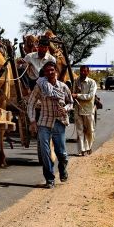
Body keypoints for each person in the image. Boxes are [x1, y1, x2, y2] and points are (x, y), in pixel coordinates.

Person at [27, 61, 73, 189]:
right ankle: (50, 179)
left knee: (62, 153)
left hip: (59, 123)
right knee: (45, 152)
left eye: (52, 70)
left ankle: (62, 169)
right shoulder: (40, 86)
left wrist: (66, 109)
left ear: (56, 71)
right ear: (44, 73)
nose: (50, 72)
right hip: (44, 122)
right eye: (47, 71)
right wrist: (32, 120)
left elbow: (71, 103)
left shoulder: (63, 87)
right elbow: (31, 103)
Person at [72, 65, 97, 156]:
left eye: (84, 71)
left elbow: (90, 96)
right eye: (81, 71)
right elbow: (72, 93)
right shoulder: (76, 81)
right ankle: (82, 150)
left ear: (88, 72)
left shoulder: (92, 82)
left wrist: (78, 95)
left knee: (90, 130)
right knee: (80, 130)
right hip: (78, 109)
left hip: (88, 110)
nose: (82, 73)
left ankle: (89, 147)